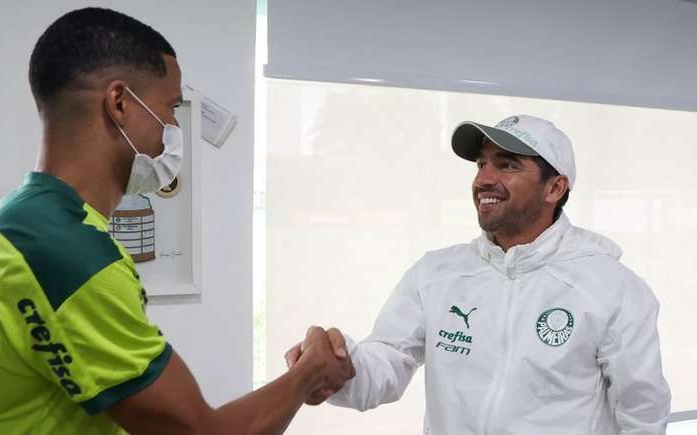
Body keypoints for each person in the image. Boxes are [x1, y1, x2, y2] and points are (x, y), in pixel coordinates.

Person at [0, 7, 354, 435]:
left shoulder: (26, 217)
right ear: (120, 103)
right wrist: (308, 372)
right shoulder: (65, 255)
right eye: (169, 110)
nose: (170, 127)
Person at [286, 114, 671, 434]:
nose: (484, 179)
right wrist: (340, 367)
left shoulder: (612, 289)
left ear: (554, 187)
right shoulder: (436, 274)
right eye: (481, 164)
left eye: (507, 164)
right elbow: (386, 361)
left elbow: (642, 414)